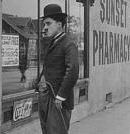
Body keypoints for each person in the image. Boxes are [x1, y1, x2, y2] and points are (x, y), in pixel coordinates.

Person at [36, 4, 79, 134]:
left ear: (59, 24)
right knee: (47, 131)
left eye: (48, 24)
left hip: (58, 100)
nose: (45, 28)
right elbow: (49, 67)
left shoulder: (68, 44)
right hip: (47, 96)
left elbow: (72, 71)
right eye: (43, 25)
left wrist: (60, 96)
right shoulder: (52, 42)